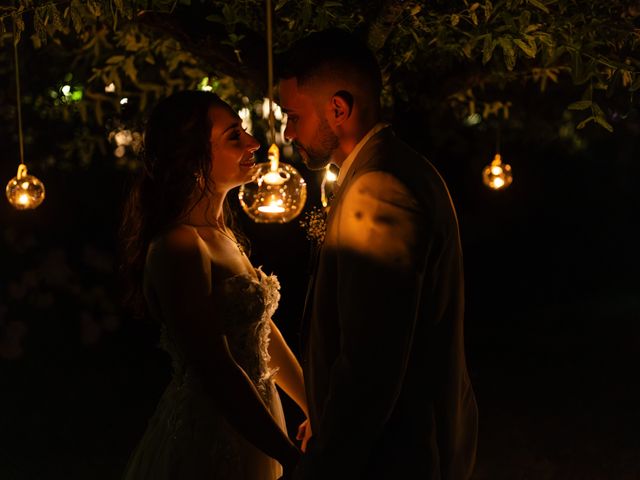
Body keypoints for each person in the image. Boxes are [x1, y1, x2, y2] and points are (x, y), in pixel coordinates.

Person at [277, 29, 478, 479]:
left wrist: (325, 461)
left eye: (292, 115)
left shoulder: (379, 187)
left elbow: (371, 362)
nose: (287, 132)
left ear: (337, 109)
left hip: (392, 457)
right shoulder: (389, 169)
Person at [119, 90, 311, 480]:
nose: (254, 143)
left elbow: (260, 333)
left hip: (256, 416)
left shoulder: (222, 233)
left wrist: (314, 405)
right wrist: (288, 454)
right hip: (213, 430)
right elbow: (215, 367)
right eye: (233, 137)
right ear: (192, 160)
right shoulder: (179, 246)